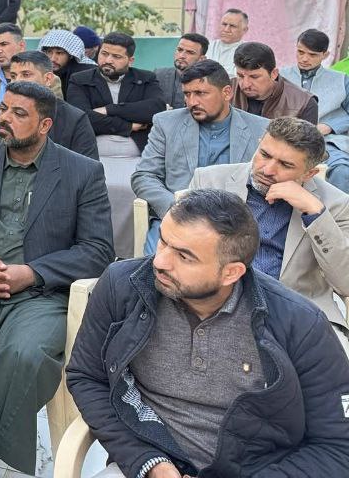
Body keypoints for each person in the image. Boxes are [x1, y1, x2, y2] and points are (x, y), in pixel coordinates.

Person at [65, 189, 349, 478]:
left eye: (184, 256)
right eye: (163, 241)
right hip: (149, 458)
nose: (160, 261)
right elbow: (87, 377)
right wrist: (147, 462)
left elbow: (338, 446)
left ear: (231, 273)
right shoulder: (123, 286)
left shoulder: (299, 323)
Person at [0, 81, 113, 478]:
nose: (5, 119)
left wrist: (31, 273)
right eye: (4, 109)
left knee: (21, 356)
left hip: (41, 295)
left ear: (45, 125)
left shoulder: (82, 172)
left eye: (18, 113)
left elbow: (98, 251)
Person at [191, 117, 349, 346]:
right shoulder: (210, 181)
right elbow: (180, 249)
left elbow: (345, 282)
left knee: (339, 364)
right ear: (259, 144)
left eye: (285, 165)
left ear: (309, 174)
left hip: (298, 312)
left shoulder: (336, 204)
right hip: (216, 304)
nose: (267, 170)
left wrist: (315, 213)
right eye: (264, 154)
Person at [131, 59, 269, 257]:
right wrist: (174, 207)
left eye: (201, 93)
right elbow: (144, 176)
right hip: (176, 219)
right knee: (159, 266)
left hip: (233, 226)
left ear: (227, 92)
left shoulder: (260, 128)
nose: (192, 102)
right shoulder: (166, 123)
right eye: (187, 94)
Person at [0, 51, 98, 158]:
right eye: (13, 76)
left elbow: (87, 170)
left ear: (48, 79)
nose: (17, 81)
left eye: (26, 75)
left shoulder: (74, 119)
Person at [66, 31, 166, 157]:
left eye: (116, 56)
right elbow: (80, 117)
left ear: (130, 61)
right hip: (91, 156)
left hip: (140, 156)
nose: (108, 60)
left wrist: (109, 109)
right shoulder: (80, 80)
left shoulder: (145, 78)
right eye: (104, 54)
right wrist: (128, 126)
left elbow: (156, 108)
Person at [281, 27, 349, 190]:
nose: (304, 59)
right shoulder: (280, 76)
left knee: (341, 171)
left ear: (325, 55)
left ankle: (339, 208)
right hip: (284, 139)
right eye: (300, 52)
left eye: (312, 55)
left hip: (326, 142)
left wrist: (331, 126)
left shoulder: (342, 80)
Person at [233, 40, 319, 123]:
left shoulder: (304, 103)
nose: (246, 84)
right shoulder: (227, 89)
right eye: (240, 76)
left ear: (274, 74)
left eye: (254, 77)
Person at [154, 32, 209, 109]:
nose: (181, 56)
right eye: (179, 50)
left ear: (202, 59)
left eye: (190, 52)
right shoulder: (158, 75)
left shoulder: (209, 82)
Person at [38, 27, 95, 100]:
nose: (52, 59)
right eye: (49, 52)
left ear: (71, 55)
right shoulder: (42, 70)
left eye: (59, 53)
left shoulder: (85, 73)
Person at [206, 7, 250, 77]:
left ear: (244, 30)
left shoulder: (249, 52)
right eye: (224, 24)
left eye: (232, 26)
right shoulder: (207, 46)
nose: (226, 29)